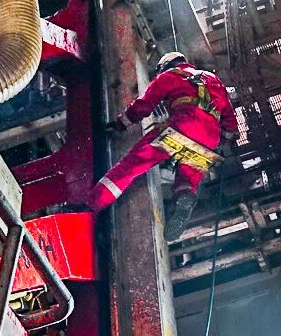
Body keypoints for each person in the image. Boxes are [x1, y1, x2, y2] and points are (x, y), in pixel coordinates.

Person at [89, 52, 238, 240]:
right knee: (187, 181)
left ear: (165, 67)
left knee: (130, 167)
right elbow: (231, 124)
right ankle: (184, 196)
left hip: (182, 127)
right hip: (209, 141)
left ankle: (90, 206)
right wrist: (221, 138)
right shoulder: (214, 80)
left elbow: (144, 105)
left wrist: (121, 124)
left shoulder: (169, 76)